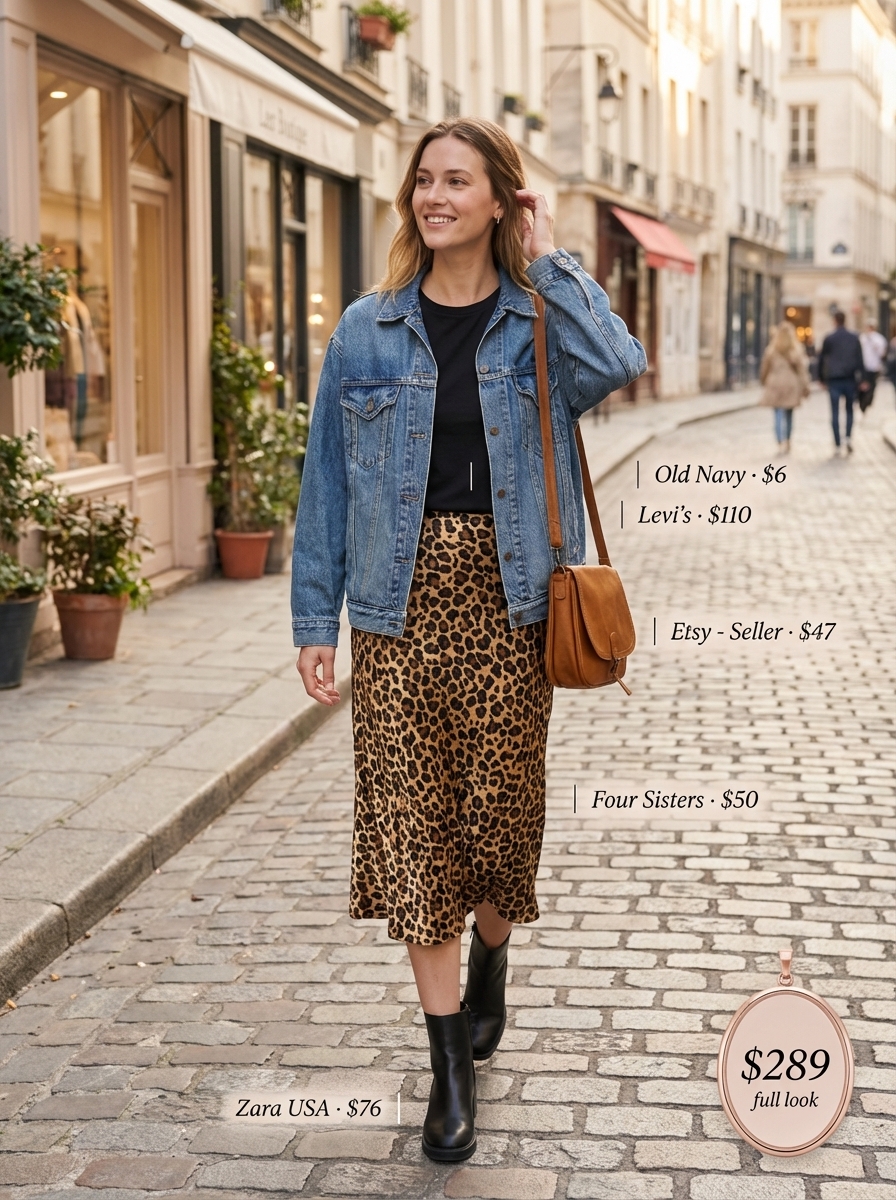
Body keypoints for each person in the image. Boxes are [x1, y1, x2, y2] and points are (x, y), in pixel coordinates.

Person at [291, 117, 647, 1163]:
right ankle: (448, 1064)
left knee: (498, 831)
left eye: (460, 181)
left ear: (498, 199)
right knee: (411, 835)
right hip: (394, 612)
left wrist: (545, 253)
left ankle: (493, 957)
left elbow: (618, 360)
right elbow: (323, 487)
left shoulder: (534, 318)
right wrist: (317, 622)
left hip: (509, 607)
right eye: (424, 181)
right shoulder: (364, 329)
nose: (435, 196)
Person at [759, 322, 810, 453]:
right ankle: (787, 439)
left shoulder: (771, 350)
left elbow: (765, 368)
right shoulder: (796, 351)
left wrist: (763, 380)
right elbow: (802, 370)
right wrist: (805, 385)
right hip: (790, 385)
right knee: (789, 414)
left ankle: (779, 439)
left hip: (775, 383)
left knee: (777, 413)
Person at [818, 310, 863, 455]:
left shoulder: (830, 338)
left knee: (835, 412)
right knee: (850, 410)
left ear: (835, 321)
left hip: (834, 379)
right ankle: (848, 437)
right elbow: (860, 360)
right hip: (850, 379)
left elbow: (821, 359)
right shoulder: (854, 337)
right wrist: (862, 379)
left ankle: (837, 442)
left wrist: (821, 378)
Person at [858, 318, 888, 413]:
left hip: (874, 366)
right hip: (864, 366)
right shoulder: (862, 337)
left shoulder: (879, 339)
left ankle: (867, 402)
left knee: (871, 386)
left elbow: (882, 354)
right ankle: (862, 403)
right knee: (862, 386)